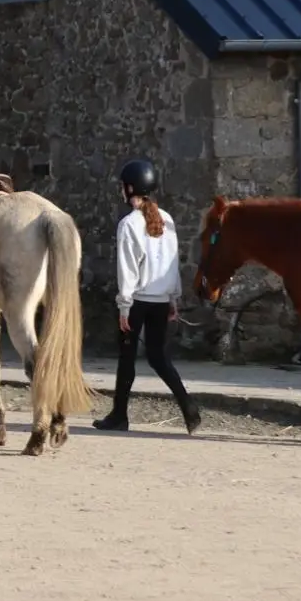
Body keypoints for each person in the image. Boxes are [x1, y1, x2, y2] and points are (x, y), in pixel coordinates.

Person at [94, 158, 201, 435]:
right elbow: (171, 262)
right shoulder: (167, 219)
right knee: (158, 357)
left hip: (138, 301)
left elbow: (127, 269)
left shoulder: (128, 224)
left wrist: (124, 306)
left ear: (130, 188)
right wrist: (173, 298)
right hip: (161, 300)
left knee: (127, 357)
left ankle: (119, 416)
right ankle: (189, 408)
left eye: (123, 186)